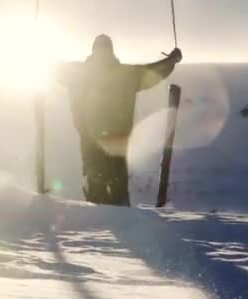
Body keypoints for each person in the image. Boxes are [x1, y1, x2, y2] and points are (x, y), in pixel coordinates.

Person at [56, 34, 182, 206]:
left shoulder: (77, 73)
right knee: (118, 189)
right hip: (117, 139)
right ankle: (121, 221)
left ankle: (96, 228)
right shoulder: (126, 74)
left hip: (90, 140)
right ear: (111, 51)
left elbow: (51, 68)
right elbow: (154, 73)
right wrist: (171, 61)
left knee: (96, 188)